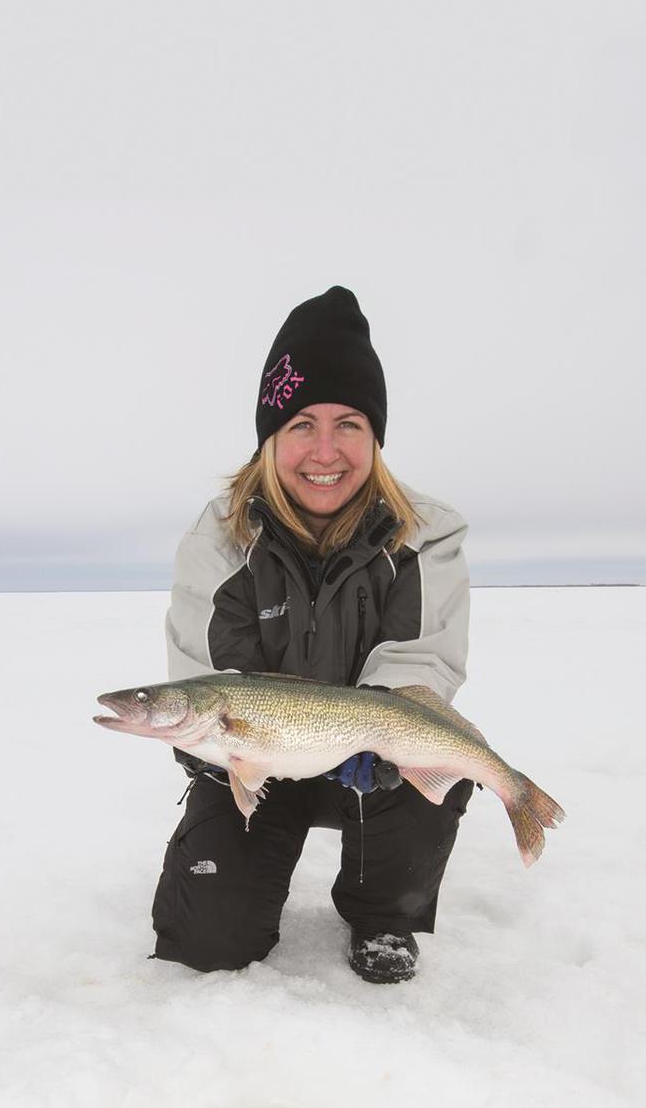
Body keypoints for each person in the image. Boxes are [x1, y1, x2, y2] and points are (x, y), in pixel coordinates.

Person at [149, 285, 477, 985]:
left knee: (431, 755)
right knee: (207, 940)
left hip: (369, 767)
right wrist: (226, 749)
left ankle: (382, 912)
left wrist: (377, 737)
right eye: (301, 423)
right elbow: (210, 676)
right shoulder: (219, 537)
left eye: (348, 423)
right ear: (270, 436)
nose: (324, 451)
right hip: (254, 760)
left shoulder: (425, 533)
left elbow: (422, 658)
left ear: (375, 437)